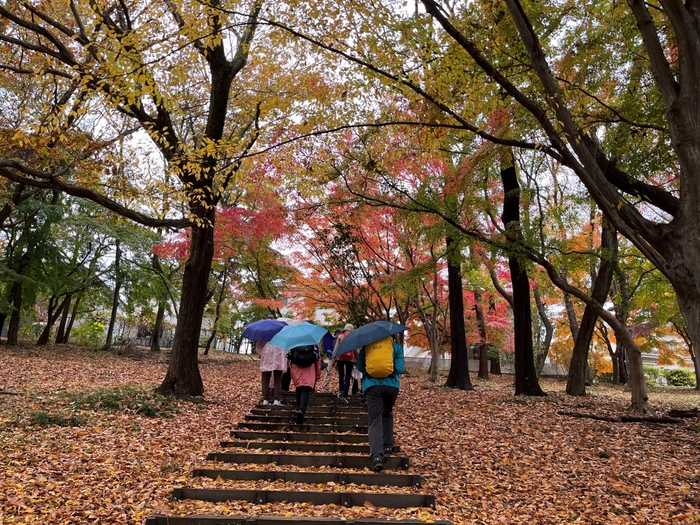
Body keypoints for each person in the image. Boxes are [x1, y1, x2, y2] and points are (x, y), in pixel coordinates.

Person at [356, 335, 405, 473]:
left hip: (372, 386)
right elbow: (400, 368)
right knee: (387, 413)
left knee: (374, 419)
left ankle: (377, 456)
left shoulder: (366, 347)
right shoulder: (395, 347)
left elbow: (360, 367)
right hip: (391, 386)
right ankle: (388, 445)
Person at [290, 345, 322, 424]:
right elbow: (317, 360)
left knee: (299, 388)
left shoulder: (294, 343)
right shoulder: (313, 343)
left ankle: (298, 409)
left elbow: (291, 359)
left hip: (297, 369)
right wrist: (318, 375)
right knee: (305, 390)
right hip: (309, 369)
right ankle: (301, 410)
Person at [257, 339, 286, 406]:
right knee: (277, 379)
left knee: (265, 378)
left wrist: (261, 353)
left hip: (267, 352)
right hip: (279, 351)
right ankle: (276, 399)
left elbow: (259, 346)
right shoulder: (281, 333)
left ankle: (265, 399)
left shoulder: (264, 333)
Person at [333, 323, 357, 403]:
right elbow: (356, 350)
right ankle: (345, 393)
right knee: (348, 377)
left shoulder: (340, 337)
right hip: (350, 359)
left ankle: (341, 390)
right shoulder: (353, 338)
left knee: (341, 376)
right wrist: (357, 360)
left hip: (340, 358)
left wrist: (333, 359)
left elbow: (336, 349)